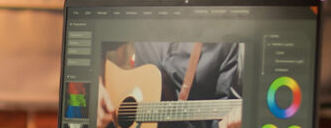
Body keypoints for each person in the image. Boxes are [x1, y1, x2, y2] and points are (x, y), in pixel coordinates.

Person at [96, 42, 243, 128]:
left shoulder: (225, 42)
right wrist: (97, 85)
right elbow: (93, 41)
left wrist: (230, 123)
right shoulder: (145, 13)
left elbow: (220, 116)